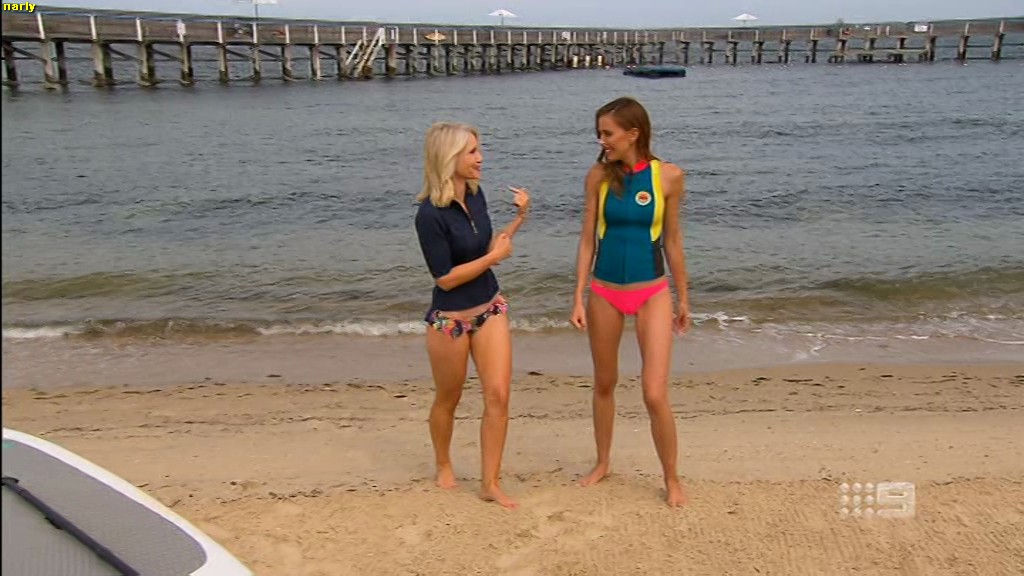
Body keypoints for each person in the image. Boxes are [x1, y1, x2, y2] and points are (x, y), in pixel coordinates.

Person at [570, 97, 691, 507]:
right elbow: (588, 240)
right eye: (599, 134)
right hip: (604, 292)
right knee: (605, 382)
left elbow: (672, 240)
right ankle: (603, 462)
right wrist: (578, 295)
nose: (601, 141)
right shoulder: (597, 177)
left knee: (654, 393)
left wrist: (683, 297)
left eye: (608, 133)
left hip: (651, 293)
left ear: (633, 134)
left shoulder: (668, 177)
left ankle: (671, 478)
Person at [414, 121, 531, 509]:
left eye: (479, 150)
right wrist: (493, 258)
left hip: (490, 307)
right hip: (449, 319)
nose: (480, 158)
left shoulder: (477, 196)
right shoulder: (429, 215)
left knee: (498, 394)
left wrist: (520, 217)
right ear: (449, 157)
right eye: (472, 152)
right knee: (449, 397)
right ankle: (443, 462)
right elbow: (445, 278)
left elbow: (488, 250)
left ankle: (490, 482)